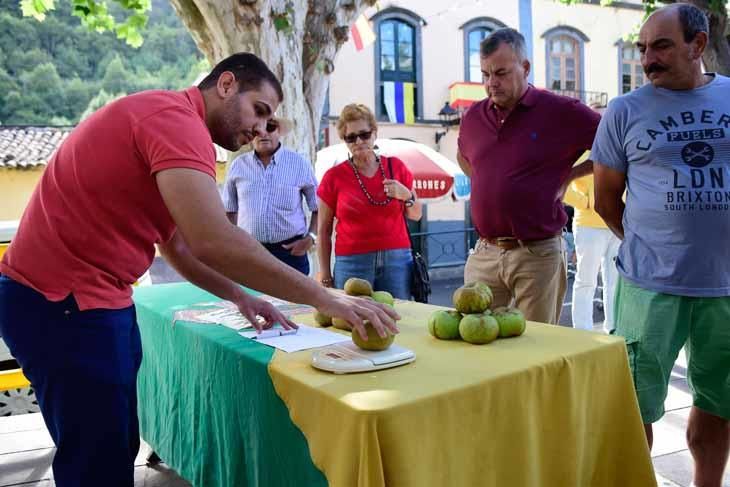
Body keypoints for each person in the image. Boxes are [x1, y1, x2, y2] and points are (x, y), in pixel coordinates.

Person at [0, 53, 398, 487]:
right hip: (63, 301)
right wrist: (327, 296)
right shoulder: (176, 122)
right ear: (226, 84)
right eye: (259, 110)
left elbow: (180, 246)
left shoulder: (171, 121)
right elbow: (216, 240)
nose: (260, 129)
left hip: (91, 299)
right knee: (98, 461)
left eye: (270, 122)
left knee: (113, 445)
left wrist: (242, 296)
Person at [592, 4, 730, 486]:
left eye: (661, 45)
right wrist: (655, 245)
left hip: (726, 288)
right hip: (649, 286)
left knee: (719, 405)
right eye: (643, 48)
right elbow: (607, 200)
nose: (648, 58)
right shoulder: (624, 111)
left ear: (697, 44)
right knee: (634, 407)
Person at [457, 28, 599, 324]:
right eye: (484, 74)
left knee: (535, 348)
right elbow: (464, 157)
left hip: (537, 253)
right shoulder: (473, 117)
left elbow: (616, 144)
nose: (491, 83)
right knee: (476, 345)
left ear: (525, 67)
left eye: (500, 73)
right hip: (485, 253)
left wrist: (570, 175)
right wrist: (492, 184)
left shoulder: (561, 112)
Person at [317, 103, 422, 299]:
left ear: (374, 133)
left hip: (397, 260)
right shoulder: (334, 177)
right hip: (351, 262)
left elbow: (416, 214)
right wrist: (324, 274)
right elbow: (323, 230)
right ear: (345, 141)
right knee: (350, 321)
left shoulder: (396, 167)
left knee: (398, 319)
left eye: (364, 135)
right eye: (351, 137)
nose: (358, 141)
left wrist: (406, 194)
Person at [223, 116, 318, 275]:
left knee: (292, 300)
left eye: (270, 127)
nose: (263, 133)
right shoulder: (238, 166)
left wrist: (311, 238)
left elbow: (318, 206)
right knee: (251, 299)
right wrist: (234, 244)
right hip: (250, 252)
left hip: (290, 253)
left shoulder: (299, 163)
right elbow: (229, 210)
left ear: (279, 131)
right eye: (257, 129)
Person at [564, 173, 620, 332]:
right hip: (589, 226)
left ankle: (613, 329)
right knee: (586, 280)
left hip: (617, 223)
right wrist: (585, 202)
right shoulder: (579, 150)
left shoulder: (618, 148)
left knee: (615, 282)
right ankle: (583, 331)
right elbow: (561, 181)